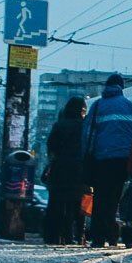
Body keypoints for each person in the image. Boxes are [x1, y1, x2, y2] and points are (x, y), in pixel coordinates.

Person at [82, 73, 132, 247]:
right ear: (121, 87)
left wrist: (86, 155)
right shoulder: (130, 107)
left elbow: (87, 133)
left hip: (102, 159)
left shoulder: (98, 105)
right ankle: (114, 234)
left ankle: (99, 237)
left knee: (100, 197)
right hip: (123, 160)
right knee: (116, 197)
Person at [42, 96, 86, 245]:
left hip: (59, 169)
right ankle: (71, 235)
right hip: (78, 170)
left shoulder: (59, 125)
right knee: (74, 205)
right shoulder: (83, 126)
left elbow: (51, 146)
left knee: (56, 204)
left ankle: (52, 236)